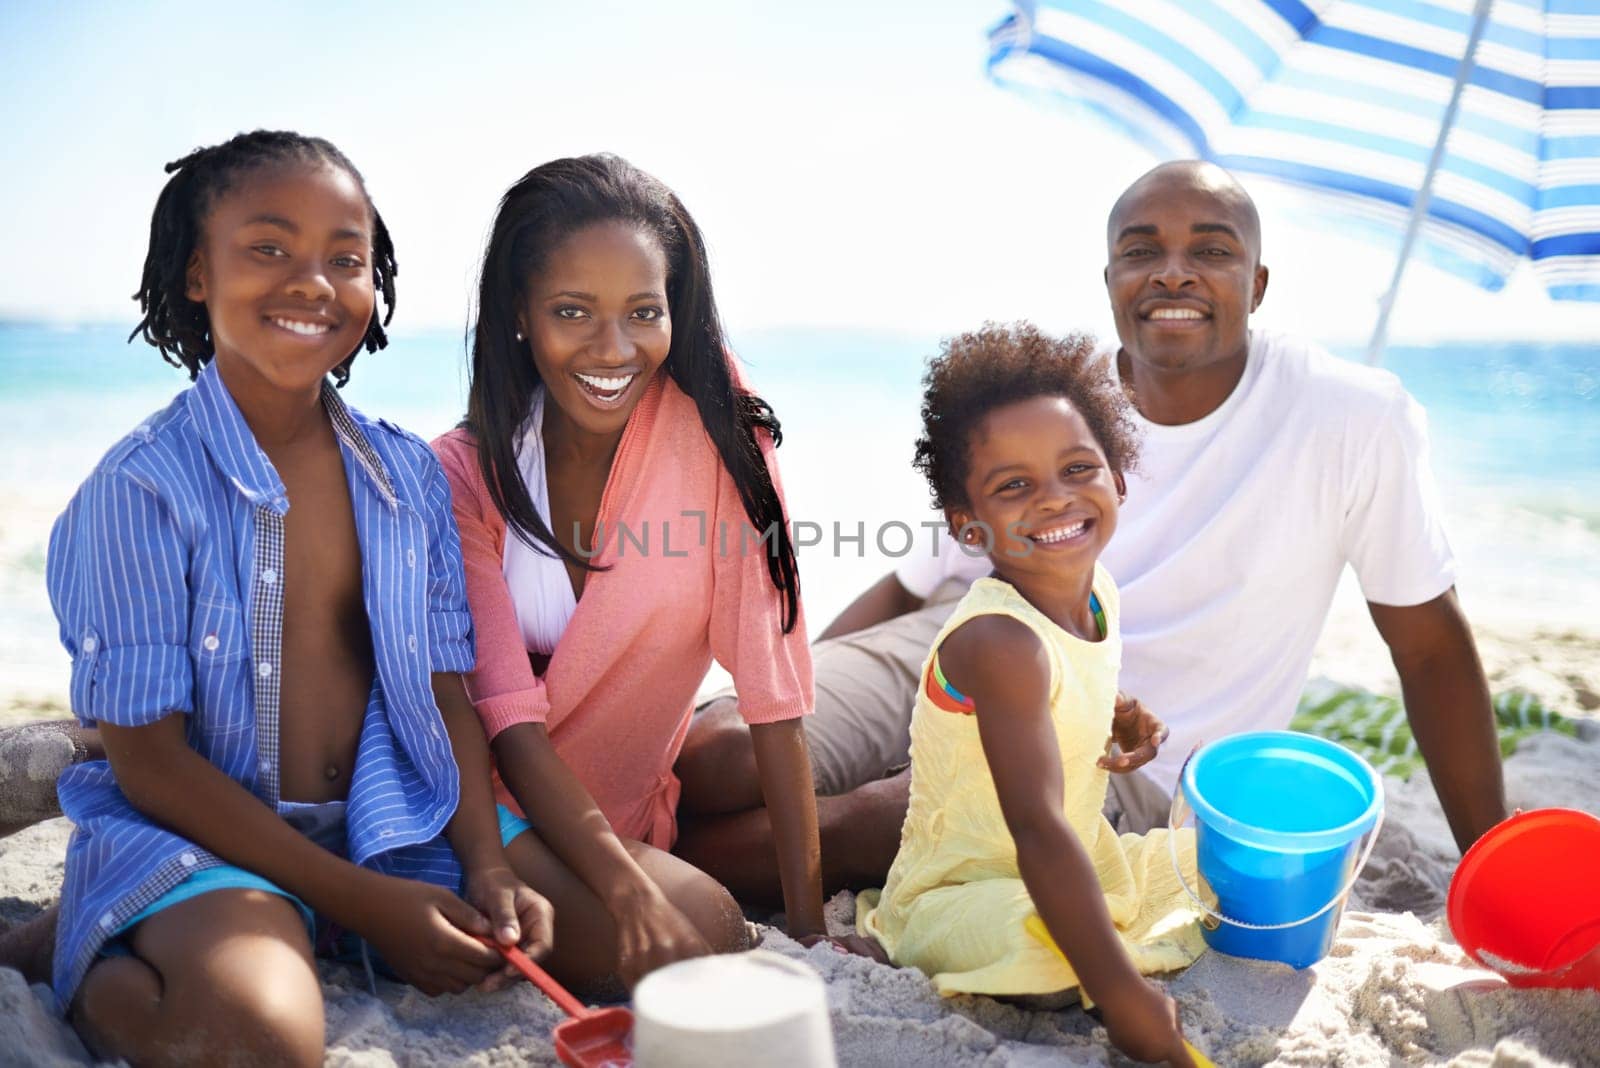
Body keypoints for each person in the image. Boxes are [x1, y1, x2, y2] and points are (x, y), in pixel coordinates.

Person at [682, 160, 1506, 896]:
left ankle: (649, 861)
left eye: (1212, 251)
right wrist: (791, 702)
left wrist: (1490, 862)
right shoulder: (1057, 400)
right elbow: (912, 583)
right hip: (969, 642)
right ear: (1110, 277)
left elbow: (1430, 647)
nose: (1173, 274)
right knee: (719, 752)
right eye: (1143, 251)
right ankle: (647, 844)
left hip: (1137, 759)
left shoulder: (1354, 418)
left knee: (867, 817)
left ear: (1257, 284)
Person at [37, 131, 556, 1066]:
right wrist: (367, 909)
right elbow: (149, 766)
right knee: (265, 1037)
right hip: (200, 839)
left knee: (685, 924)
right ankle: (96, 955)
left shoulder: (406, 476)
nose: (313, 282)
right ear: (197, 273)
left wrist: (485, 867)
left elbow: (445, 691)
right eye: (269, 248)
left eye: (346, 259)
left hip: (384, 821)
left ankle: (306, 923)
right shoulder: (140, 490)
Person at [430, 154, 851, 980]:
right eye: (572, 311)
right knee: (704, 934)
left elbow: (772, 679)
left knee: (724, 915)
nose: (614, 347)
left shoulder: (719, 435)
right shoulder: (462, 473)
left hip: (628, 809)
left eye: (642, 311)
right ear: (521, 312)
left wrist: (808, 926)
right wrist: (627, 894)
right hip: (488, 815)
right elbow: (507, 723)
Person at [856, 323, 1202, 1068]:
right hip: (970, 890)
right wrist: (1125, 1001)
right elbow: (1037, 828)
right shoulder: (999, 643)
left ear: (1119, 478)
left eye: (1078, 469)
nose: (1054, 501)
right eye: (1014, 486)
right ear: (966, 525)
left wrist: (1118, 710)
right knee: (1052, 951)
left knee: (1210, 864)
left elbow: (1072, 675)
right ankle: (1087, 959)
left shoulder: (1096, 589)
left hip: (1076, 853)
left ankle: (1095, 935)